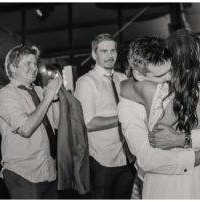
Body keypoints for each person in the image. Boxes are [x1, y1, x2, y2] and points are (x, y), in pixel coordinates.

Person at [118, 32, 200, 199]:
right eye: (160, 75)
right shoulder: (133, 100)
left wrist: (183, 139)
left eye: (170, 70)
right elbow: (147, 159)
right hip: (171, 181)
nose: (168, 78)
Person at [0, 45, 62, 199]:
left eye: (35, 63)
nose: (34, 68)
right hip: (23, 174)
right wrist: (47, 99)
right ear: (13, 67)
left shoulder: (39, 91)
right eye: (28, 63)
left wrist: (55, 97)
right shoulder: (4, 95)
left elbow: (57, 124)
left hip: (49, 169)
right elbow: (26, 129)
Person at [74, 33, 135, 199]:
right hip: (103, 160)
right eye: (104, 51)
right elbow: (89, 123)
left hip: (128, 156)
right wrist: (123, 117)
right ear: (94, 54)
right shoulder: (86, 82)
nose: (110, 55)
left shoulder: (122, 78)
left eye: (113, 50)